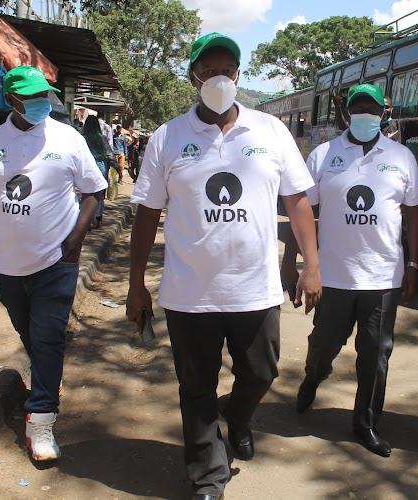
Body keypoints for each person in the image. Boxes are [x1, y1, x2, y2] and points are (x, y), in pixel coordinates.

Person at [125, 33, 322, 500]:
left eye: (226, 68)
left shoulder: (270, 131)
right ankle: (208, 477)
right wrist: (136, 284)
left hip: (254, 288)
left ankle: (236, 418)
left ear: (238, 74)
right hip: (189, 292)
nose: (218, 77)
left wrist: (312, 265)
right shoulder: (167, 137)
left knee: (261, 373)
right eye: (207, 69)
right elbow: (147, 215)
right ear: (193, 76)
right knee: (195, 387)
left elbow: (297, 202)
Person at [0, 66, 107, 462]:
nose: (43, 102)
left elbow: (95, 189)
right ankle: (49, 376)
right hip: (7, 266)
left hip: (56, 263)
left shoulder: (68, 138)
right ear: (11, 100)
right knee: (30, 334)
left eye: (45, 95)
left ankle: (40, 422)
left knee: (47, 337)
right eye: (32, 97)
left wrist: (76, 237)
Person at [282, 83, 418, 458]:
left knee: (376, 354)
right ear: (346, 114)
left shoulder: (401, 157)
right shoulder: (324, 155)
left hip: (383, 278)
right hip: (333, 276)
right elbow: (303, 213)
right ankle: (313, 377)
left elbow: (414, 213)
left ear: (384, 115)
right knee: (324, 345)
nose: (366, 115)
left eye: (372, 109)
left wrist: (414, 264)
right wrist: (292, 262)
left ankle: (366, 423)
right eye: (358, 108)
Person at [333, 88, 418, 144]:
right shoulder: (366, 126)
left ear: (392, 109)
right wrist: (338, 108)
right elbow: (344, 127)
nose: (385, 110)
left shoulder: (399, 125)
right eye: (382, 108)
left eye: (388, 107)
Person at [83, 116, 118, 228]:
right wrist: (117, 166)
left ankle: (88, 219)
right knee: (99, 193)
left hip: (87, 166)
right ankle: (98, 218)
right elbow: (109, 154)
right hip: (101, 166)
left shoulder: (83, 138)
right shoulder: (102, 138)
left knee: (87, 192)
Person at [109, 124, 126, 199]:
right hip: (115, 153)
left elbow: (125, 145)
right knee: (114, 168)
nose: (119, 129)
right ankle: (114, 179)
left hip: (121, 153)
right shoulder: (113, 136)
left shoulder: (123, 137)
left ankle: (120, 179)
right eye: (118, 128)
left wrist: (126, 154)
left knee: (121, 167)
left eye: (120, 128)